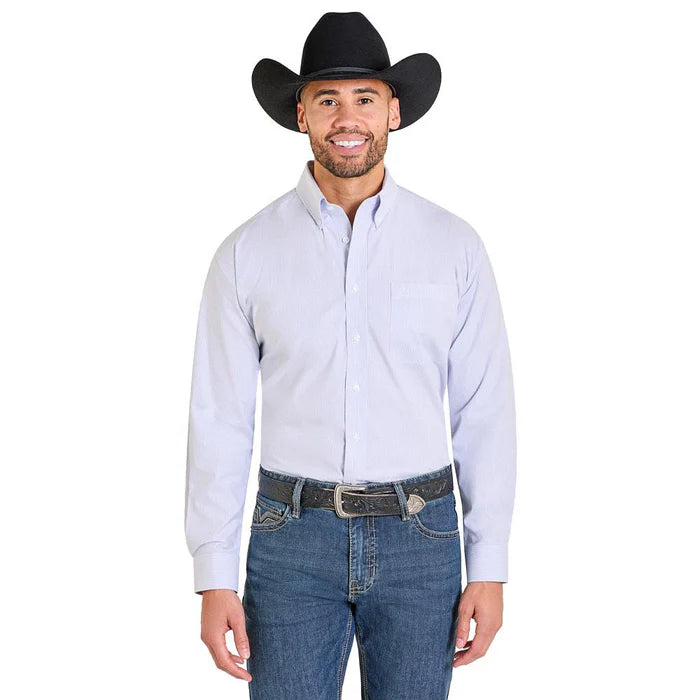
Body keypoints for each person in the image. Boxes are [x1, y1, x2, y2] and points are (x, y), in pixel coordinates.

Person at [184, 11, 517, 698]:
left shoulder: (454, 247)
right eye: (327, 99)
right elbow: (220, 418)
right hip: (290, 542)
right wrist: (214, 575)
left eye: (365, 98)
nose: (347, 118)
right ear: (300, 114)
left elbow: (484, 410)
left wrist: (489, 564)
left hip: (422, 540)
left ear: (393, 111)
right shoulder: (246, 253)